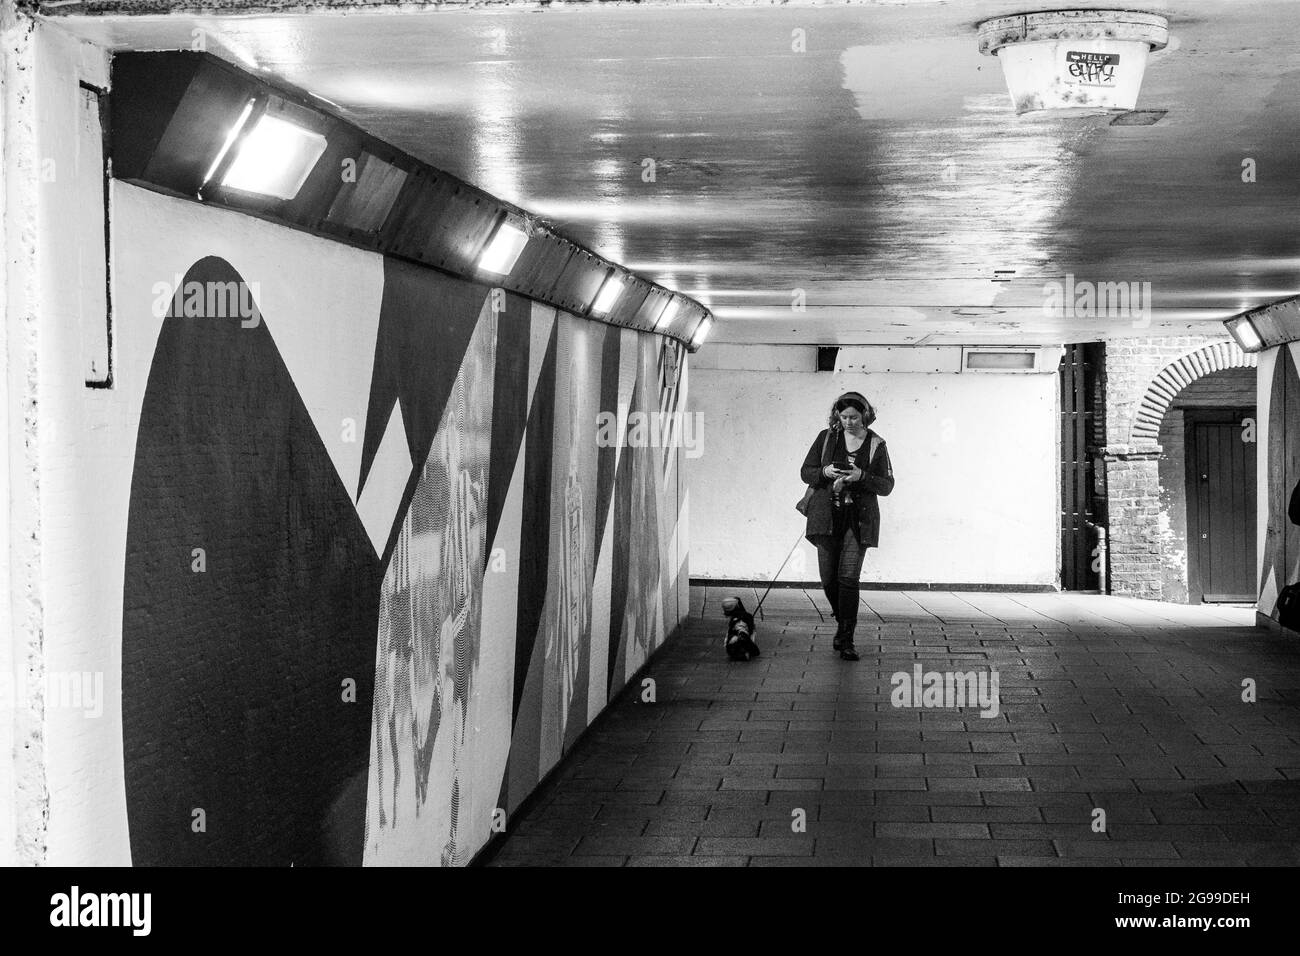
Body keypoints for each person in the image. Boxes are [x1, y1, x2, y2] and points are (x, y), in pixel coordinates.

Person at [799, 391, 895, 660]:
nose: (849, 422)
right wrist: (824, 473)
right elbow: (806, 472)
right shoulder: (826, 437)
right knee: (829, 579)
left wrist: (861, 475)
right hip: (826, 516)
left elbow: (887, 485)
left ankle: (846, 637)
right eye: (843, 417)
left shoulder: (877, 444)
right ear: (837, 417)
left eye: (854, 417)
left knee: (848, 578)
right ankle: (843, 620)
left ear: (865, 415)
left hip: (859, 518)